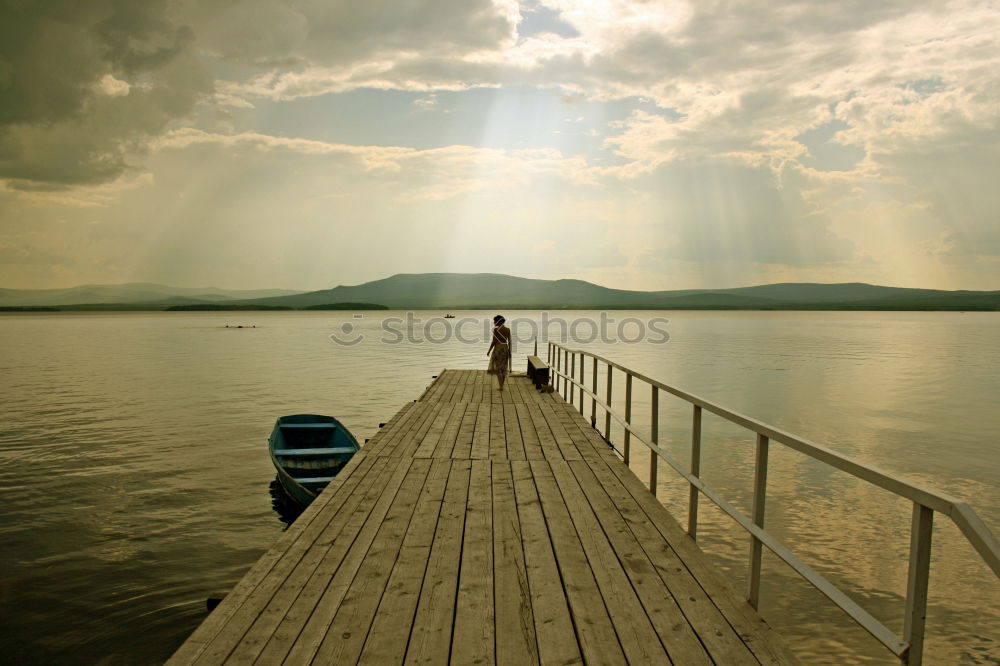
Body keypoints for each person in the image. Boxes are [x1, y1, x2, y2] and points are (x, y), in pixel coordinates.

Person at [486, 314, 511, 391]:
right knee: (503, 368)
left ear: (498, 322)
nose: (494, 322)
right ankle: (501, 385)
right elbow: (509, 341)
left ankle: (501, 387)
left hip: (498, 348)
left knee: (498, 369)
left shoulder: (496, 330)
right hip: (505, 348)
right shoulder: (508, 329)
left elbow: (494, 341)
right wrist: (509, 351)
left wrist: (489, 350)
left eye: (495, 321)